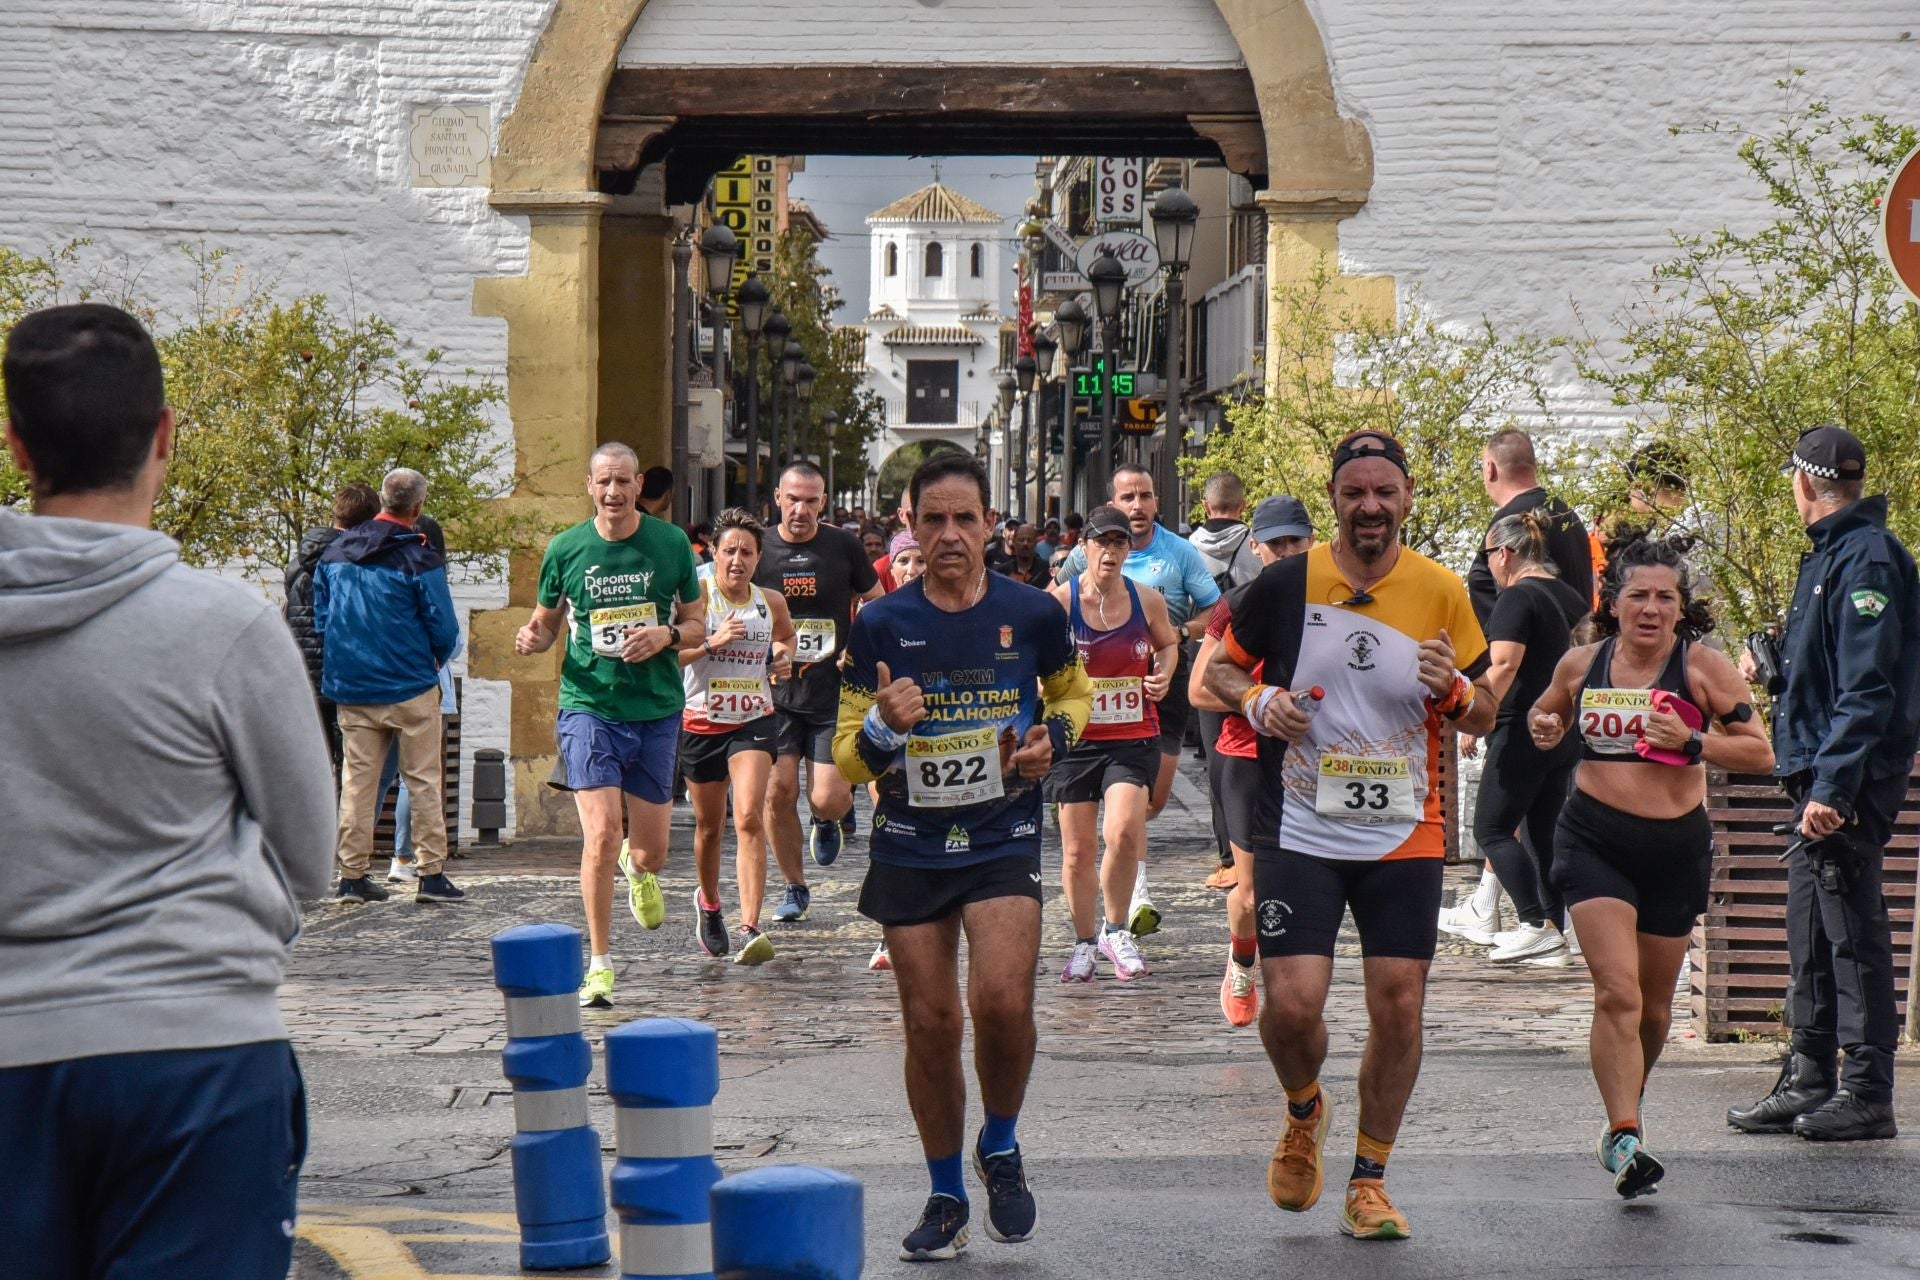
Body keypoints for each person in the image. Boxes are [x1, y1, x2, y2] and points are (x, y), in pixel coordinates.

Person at [0, 303, 336, 1278]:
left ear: (18, 443)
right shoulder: (224, 628)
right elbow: (309, 859)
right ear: (164, 435)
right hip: (196, 1054)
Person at [1205, 429, 1498, 1240]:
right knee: (1292, 1008)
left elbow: (1486, 712)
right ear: (1333, 499)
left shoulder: (1440, 590)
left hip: (1405, 829)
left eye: (1384, 492)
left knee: (1398, 1008)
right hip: (1300, 826)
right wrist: (1258, 701)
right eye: (1354, 493)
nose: (1370, 506)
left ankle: (1369, 1179)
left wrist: (1456, 690)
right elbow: (1214, 671)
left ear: (1407, 499)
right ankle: (1305, 1109)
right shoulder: (1285, 583)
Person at [834, 452, 1092, 1260]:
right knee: (931, 1023)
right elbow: (846, 761)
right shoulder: (880, 623)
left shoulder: (1034, 612)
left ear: (989, 525)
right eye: (933, 519)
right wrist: (882, 726)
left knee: (1004, 1002)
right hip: (910, 842)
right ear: (909, 526)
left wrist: (1055, 740)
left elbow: (1072, 694)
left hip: (1002, 831)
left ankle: (1000, 1144)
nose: (949, 533)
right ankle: (946, 1193)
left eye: (964, 518)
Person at [1526, 527, 1771, 1194]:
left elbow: (1761, 752)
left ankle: (1627, 1110)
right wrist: (1545, 727)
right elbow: (1545, 714)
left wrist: (1694, 741)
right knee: (1619, 992)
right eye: (1639, 595)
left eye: (1666, 597)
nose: (1652, 609)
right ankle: (1626, 1134)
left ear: (1681, 607)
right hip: (1593, 840)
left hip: (1674, 848)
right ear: (1614, 602)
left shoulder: (1703, 668)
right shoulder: (1582, 664)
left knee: (1656, 1011)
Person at [1728, 425, 1919, 1142]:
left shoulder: (1867, 557)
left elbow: (1868, 688)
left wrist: (1834, 789)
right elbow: (1830, 670)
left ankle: (1869, 1091)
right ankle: (1810, 1075)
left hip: (1848, 776)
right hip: (1816, 767)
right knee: (1809, 927)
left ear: (1804, 482)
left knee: (1851, 929)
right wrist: (1774, 664)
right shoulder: (1832, 552)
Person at [514, 442, 706, 1008]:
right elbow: (547, 624)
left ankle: (637, 870)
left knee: (650, 852)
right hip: (588, 706)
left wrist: (667, 635)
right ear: (589, 486)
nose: (614, 492)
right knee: (600, 834)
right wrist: (532, 638)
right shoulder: (566, 548)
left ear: (639, 485)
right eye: (604, 482)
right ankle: (599, 965)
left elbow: (698, 624)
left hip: (655, 709)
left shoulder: (670, 544)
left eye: (624, 481)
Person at [1057, 464, 1222, 933]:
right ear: (1112, 504)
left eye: (1146, 496)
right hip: (1090, 706)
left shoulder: (1179, 552)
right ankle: (1133, 892)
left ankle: (1124, 862)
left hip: (1155, 687)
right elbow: (1050, 607)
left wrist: (1177, 637)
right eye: (1128, 497)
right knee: (1113, 823)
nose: (1138, 505)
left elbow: (1214, 609)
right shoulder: (1082, 559)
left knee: (1153, 801)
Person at [1189, 496, 1314, 1026]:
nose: (1285, 552)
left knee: (1308, 885)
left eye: (1295, 541)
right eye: (1275, 543)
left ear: (1312, 542)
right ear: (1256, 547)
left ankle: (1292, 978)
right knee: (1250, 891)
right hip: (1245, 757)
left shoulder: (1334, 603)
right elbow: (1198, 690)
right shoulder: (1236, 604)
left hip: (1314, 763)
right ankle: (1242, 963)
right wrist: (1259, 699)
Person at [315, 468, 464, 904]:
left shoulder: (335, 553)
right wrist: (433, 658)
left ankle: (351, 875)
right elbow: (444, 627)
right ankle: (430, 873)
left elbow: (323, 617)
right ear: (417, 507)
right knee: (422, 781)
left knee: (357, 783)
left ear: (382, 500)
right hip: (410, 683)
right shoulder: (419, 556)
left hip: (353, 685)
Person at [1048, 505, 1181, 981]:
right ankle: (1084, 941)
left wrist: (1164, 672)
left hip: (1132, 734)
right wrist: (1046, 686)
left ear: (1129, 549)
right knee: (1077, 851)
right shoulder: (1059, 603)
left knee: (1123, 831)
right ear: (1083, 547)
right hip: (1075, 739)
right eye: (1101, 541)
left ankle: (1116, 929)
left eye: (1119, 542)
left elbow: (1168, 643)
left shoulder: (1147, 600)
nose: (1110, 551)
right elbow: (1033, 657)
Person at [754, 462, 883, 917]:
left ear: (823, 503)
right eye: (793, 499)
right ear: (778, 498)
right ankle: (795, 887)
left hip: (833, 692)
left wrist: (858, 646)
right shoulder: (759, 548)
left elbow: (877, 602)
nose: (801, 510)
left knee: (828, 797)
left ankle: (826, 819)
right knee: (777, 791)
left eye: (811, 501)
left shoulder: (843, 546)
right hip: (775, 693)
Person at [1469, 510, 1593, 966]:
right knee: (1542, 833)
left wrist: (1473, 711)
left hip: (1521, 726)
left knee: (1491, 828)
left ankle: (1532, 923)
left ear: (1504, 553)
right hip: (1562, 727)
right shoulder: (1568, 596)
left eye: (1487, 556)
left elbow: (1503, 666)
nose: (1488, 567)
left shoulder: (1517, 597)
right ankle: (1552, 933)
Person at [679, 508, 795, 967]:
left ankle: (750, 926)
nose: (737, 560)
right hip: (702, 721)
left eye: (747, 552)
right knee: (710, 827)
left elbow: (785, 637)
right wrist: (713, 642)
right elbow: (670, 657)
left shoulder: (770, 601)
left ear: (758, 558)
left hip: (753, 719)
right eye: (729, 551)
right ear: (713, 552)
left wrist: (783, 658)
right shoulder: (697, 598)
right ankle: (709, 903)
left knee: (747, 815)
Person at [1189, 471, 1269, 887]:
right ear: (1243, 505)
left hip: (1205, 648)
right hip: (1253, 655)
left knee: (1217, 759)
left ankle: (1229, 858)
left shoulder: (1187, 547)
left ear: (1206, 506)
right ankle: (1259, 848)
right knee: (1254, 752)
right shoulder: (1258, 542)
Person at [285, 482, 380, 783]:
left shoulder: (297, 563)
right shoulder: (356, 563)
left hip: (305, 675)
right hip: (344, 674)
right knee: (353, 768)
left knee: (315, 767)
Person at [1465, 429, 1592, 628]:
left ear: (1490, 469)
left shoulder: (1509, 522)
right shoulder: (1568, 515)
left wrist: (1500, 636)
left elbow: (1482, 581)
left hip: (1524, 643)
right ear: (1534, 465)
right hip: (1578, 640)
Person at [992, 521, 1052, 588]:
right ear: (1014, 542)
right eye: (1021, 540)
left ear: (1035, 543)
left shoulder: (1044, 569)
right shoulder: (1003, 572)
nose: (1025, 543)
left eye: (1030, 540)